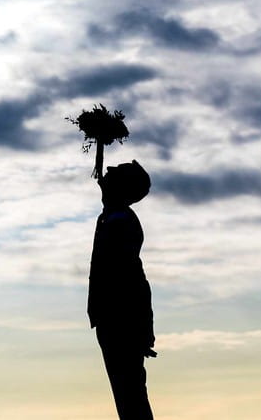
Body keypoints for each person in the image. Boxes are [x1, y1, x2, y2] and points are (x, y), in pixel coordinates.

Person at [89, 160, 155, 420]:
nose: (109, 170)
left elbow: (133, 278)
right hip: (113, 320)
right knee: (128, 396)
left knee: (131, 397)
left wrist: (142, 328)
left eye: (117, 171)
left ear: (121, 187)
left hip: (121, 322)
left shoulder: (119, 221)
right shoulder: (112, 216)